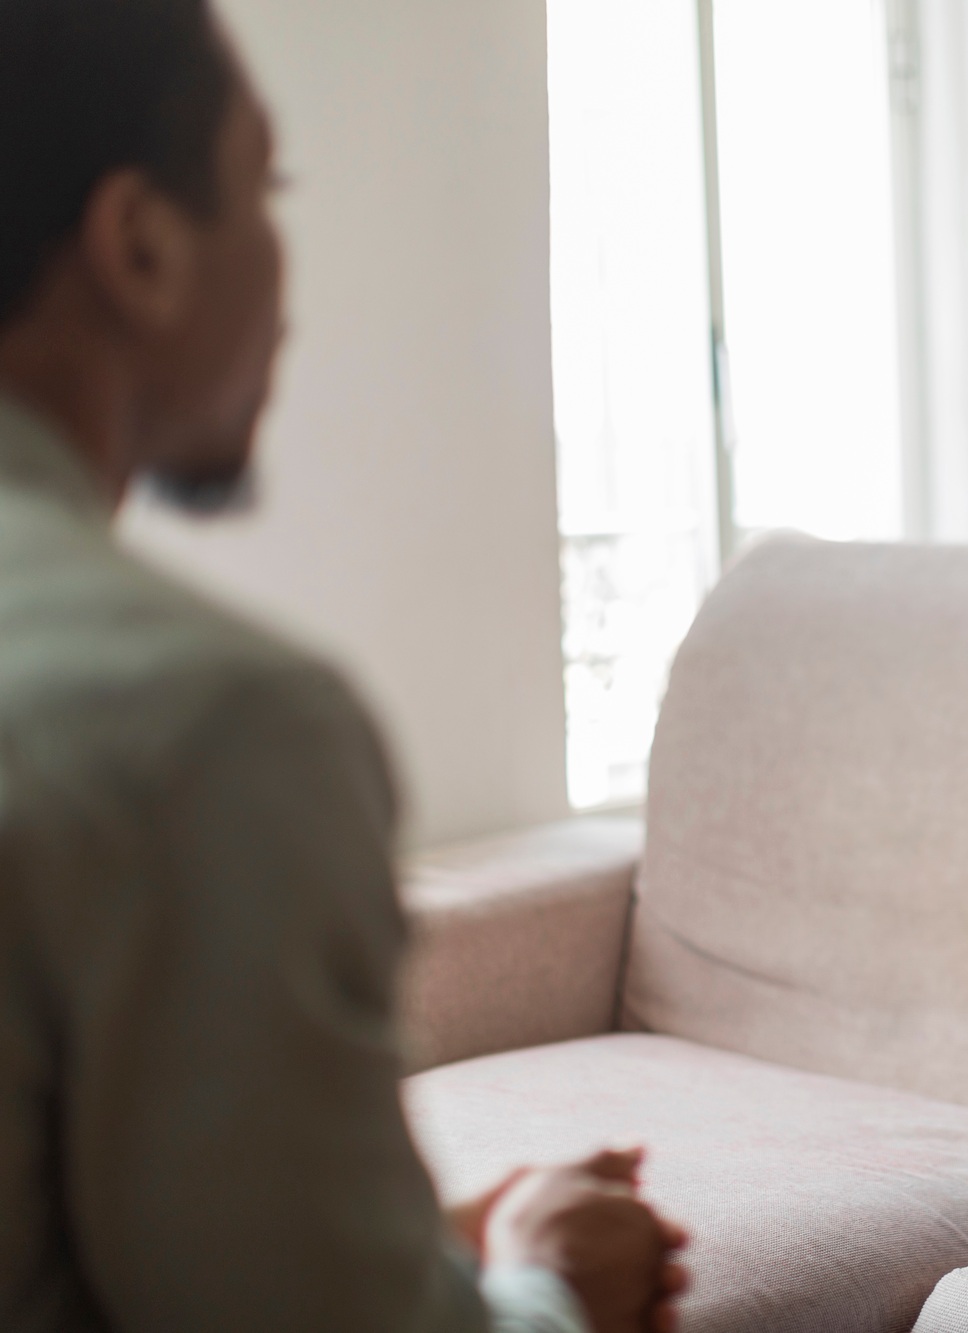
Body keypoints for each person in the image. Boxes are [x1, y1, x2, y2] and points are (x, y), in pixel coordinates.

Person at [0, 2, 687, 1329]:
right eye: (268, 193)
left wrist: (401, 1249)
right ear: (140, 245)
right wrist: (548, 1281)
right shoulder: (208, 726)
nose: (289, 283)